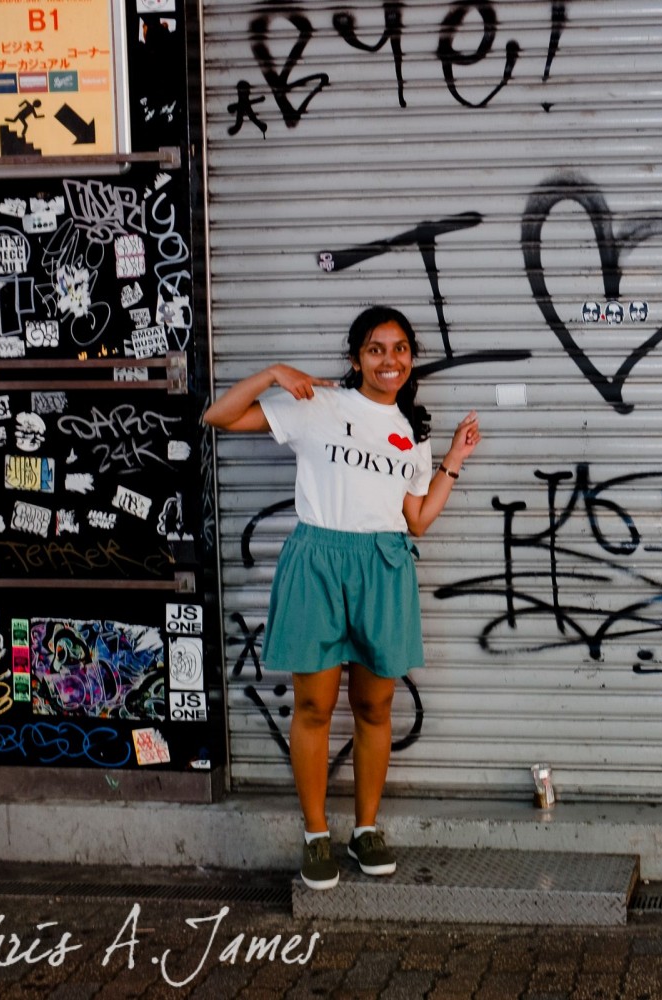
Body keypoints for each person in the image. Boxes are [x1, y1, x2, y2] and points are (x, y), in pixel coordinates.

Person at [202, 305, 480, 889]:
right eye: (376, 349)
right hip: (319, 563)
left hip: (383, 566)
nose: (390, 360)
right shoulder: (318, 406)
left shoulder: (413, 430)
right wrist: (274, 371)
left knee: (375, 707)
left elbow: (418, 520)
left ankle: (366, 829)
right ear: (356, 358)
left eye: (400, 348)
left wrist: (451, 460)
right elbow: (217, 415)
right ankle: (314, 834)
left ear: (411, 358)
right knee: (314, 708)